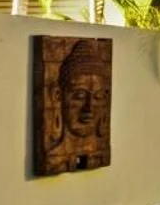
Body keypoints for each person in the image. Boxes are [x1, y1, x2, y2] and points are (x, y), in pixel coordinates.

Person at [41, 39, 110, 173]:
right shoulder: (53, 160)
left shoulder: (100, 155)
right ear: (58, 95)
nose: (89, 108)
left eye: (98, 96)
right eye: (79, 96)